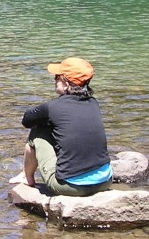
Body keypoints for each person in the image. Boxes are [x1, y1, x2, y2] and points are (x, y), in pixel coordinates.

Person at [9, 57, 112, 196]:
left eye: (57, 77)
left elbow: (26, 121)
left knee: (37, 132)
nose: (54, 80)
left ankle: (27, 178)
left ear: (66, 82)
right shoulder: (94, 103)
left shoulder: (52, 107)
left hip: (71, 186)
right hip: (105, 181)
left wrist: (44, 118)